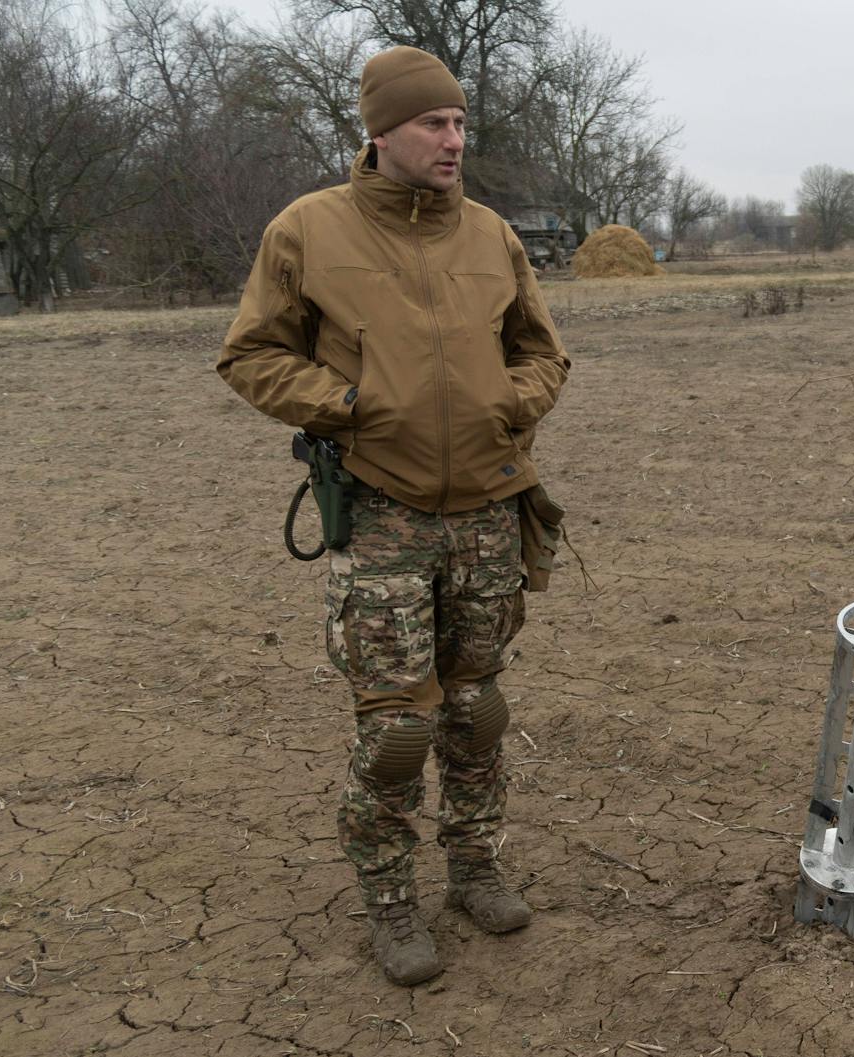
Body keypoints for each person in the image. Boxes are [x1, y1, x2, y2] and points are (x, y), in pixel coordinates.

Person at [217, 45, 569, 986]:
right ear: (379, 133)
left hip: (490, 512)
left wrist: (509, 401)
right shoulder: (307, 230)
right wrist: (348, 405)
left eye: (459, 123)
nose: (454, 139)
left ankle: (475, 866)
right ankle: (387, 895)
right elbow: (250, 354)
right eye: (433, 124)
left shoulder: (492, 234)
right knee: (396, 728)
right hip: (381, 514)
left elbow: (545, 355)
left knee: (474, 709)